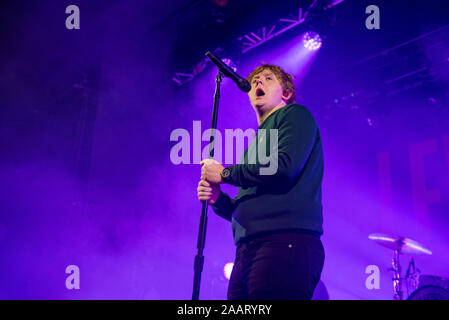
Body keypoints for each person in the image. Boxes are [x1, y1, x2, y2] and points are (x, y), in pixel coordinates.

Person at [197, 64, 324, 300]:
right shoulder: (257, 142)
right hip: (248, 249)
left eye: (267, 78)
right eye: (255, 79)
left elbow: (285, 166)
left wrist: (225, 174)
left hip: (285, 242)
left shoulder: (295, 115)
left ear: (285, 94)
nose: (258, 82)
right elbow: (248, 208)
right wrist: (218, 200)